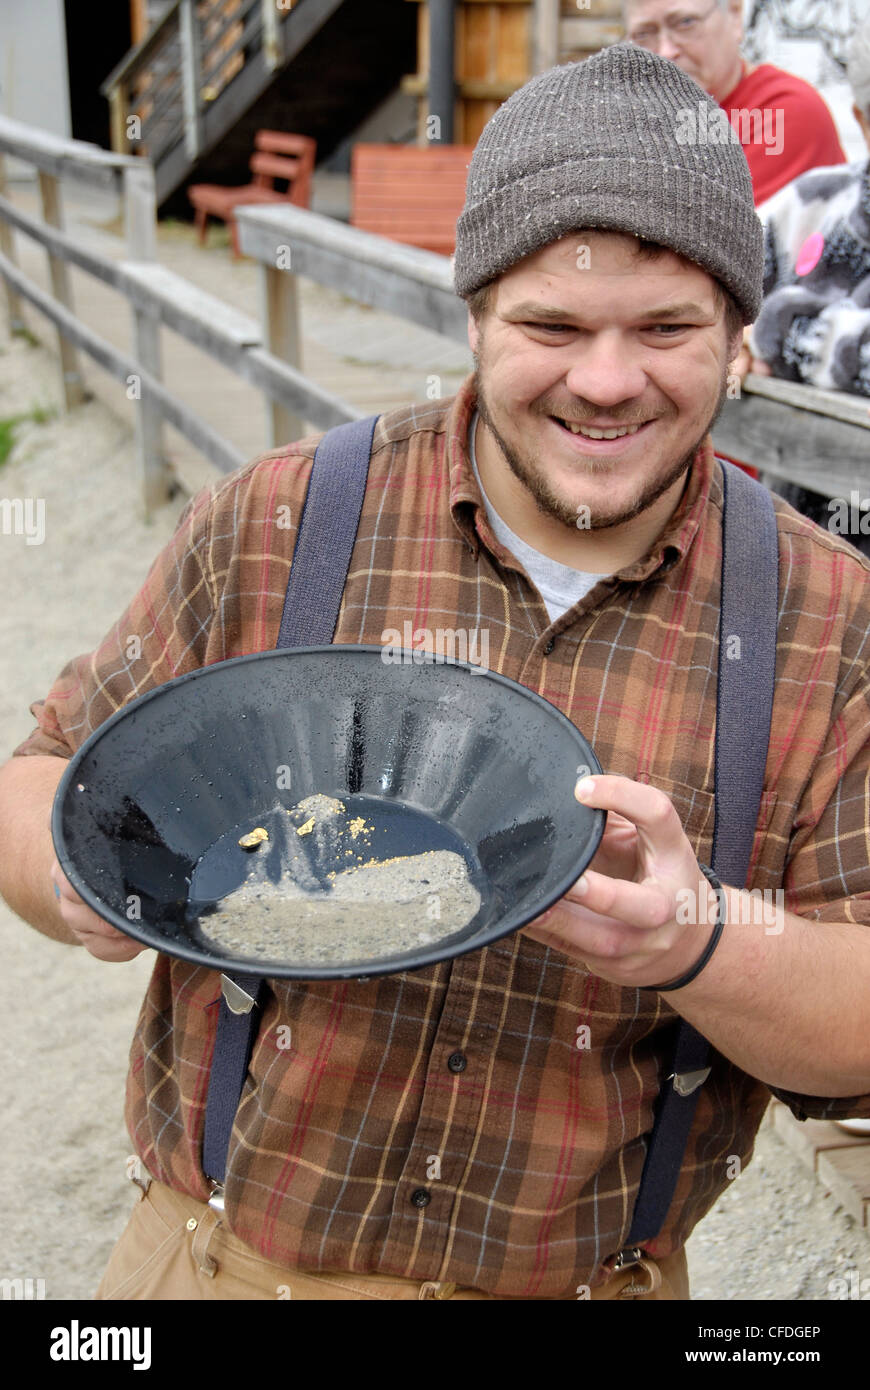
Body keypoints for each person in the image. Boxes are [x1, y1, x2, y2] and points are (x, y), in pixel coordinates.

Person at [2, 43, 870, 1303]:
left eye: (670, 328)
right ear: (471, 316)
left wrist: (697, 937)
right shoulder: (281, 519)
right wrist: (81, 877)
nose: (608, 379)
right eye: (551, 324)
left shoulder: (826, 617)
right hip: (217, 1269)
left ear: (742, 336)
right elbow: (36, 781)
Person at [742, 17, 870, 560]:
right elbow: (705, 285)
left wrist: (775, 331)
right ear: (864, 120)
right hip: (799, 563)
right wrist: (724, 330)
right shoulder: (819, 200)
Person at [624, 0, 847, 205]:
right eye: (644, 34)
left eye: (685, 23)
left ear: (734, 15)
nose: (665, 52)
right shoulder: (635, 121)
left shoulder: (784, 111)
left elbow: (717, 238)